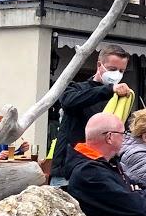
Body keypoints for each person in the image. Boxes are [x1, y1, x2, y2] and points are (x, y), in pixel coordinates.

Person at [50, 44, 132, 183]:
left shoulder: (119, 98)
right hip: (68, 171)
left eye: (121, 71)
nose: (117, 74)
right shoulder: (76, 89)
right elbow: (68, 101)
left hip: (100, 170)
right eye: (112, 69)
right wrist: (109, 90)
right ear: (99, 65)